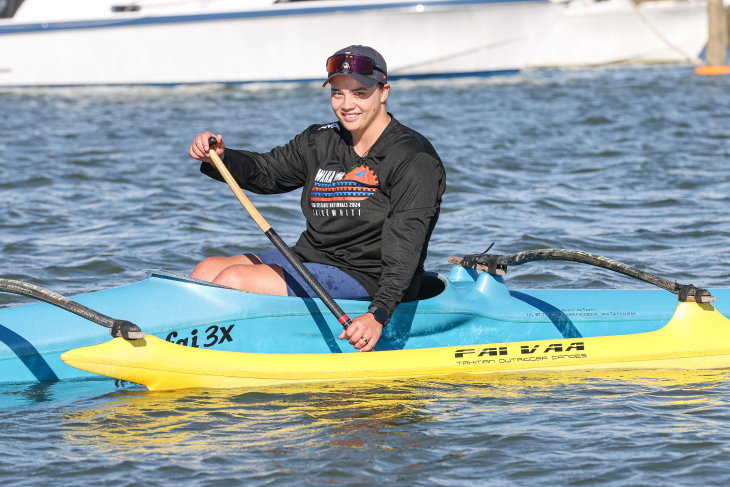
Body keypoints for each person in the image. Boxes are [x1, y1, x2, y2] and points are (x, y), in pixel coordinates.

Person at [188, 45, 445, 352]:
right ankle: (184, 346)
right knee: (205, 271)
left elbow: (407, 243)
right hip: (313, 258)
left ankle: (209, 353)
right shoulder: (320, 140)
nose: (347, 104)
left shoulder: (413, 158)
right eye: (338, 93)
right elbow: (268, 172)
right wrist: (221, 157)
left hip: (369, 276)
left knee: (234, 280)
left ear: (383, 92)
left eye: (359, 93)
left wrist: (378, 315)